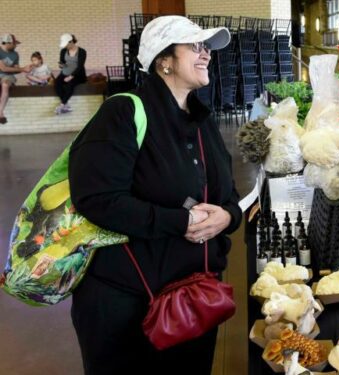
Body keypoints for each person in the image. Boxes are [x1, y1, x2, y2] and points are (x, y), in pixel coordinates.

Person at [68, 16, 239, 374]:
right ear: (164, 59)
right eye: (194, 45)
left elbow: (228, 196)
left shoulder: (201, 119)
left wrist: (228, 217)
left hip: (194, 302)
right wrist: (180, 222)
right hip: (128, 306)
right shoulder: (123, 113)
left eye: (206, 46)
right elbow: (97, 199)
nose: (205, 53)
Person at [0, 34, 31, 124]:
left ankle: (0, 112)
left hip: (7, 76)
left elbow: (17, 70)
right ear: (8, 43)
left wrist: (26, 69)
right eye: (14, 44)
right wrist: (22, 69)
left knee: (5, 85)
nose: (16, 46)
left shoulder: (15, 54)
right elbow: (3, 68)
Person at [54, 33, 87, 114]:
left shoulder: (82, 52)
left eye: (66, 44)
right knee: (57, 83)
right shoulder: (63, 51)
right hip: (64, 73)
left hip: (78, 75)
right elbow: (62, 63)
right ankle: (66, 105)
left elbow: (80, 66)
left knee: (70, 84)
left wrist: (71, 76)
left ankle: (62, 105)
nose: (65, 46)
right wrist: (61, 65)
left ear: (71, 42)